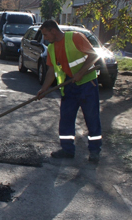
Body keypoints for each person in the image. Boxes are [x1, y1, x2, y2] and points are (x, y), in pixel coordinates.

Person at [36, 19, 102, 163]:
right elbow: (51, 70)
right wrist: (44, 89)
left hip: (87, 85)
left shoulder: (75, 37)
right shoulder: (52, 49)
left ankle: (95, 151)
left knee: (91, 118)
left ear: (53, 30)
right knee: (66, 118)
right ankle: (67, 149)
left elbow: (93, 55)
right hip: (69, 87)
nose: (45, 39)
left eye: (46, 35)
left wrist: (80, 73)